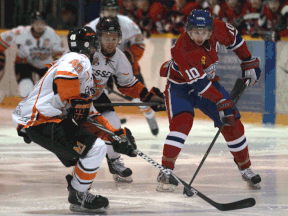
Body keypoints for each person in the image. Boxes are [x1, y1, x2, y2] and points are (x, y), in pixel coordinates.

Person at [12, 26, 137, 213]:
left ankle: (78, 190)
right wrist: (75, 100)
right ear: (88, 46)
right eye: (94, 45)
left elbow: (89, 113)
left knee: (91, 148)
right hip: (40, 120)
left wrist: (116, 135)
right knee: (96, 149)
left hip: (40, 120)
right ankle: (79, 195)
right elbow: (66, 81)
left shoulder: (77, 64)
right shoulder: (78, 58)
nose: (96, 50)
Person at [157, 9, 262, 192]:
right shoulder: (184, 48)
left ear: (211, 30)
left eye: (204, 32)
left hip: (209, 83)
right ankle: (166, 170)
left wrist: (247, 60)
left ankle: (246, 169)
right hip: (180, 88)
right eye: (196, 32)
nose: (200, 36)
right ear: (188, 30)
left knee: (232, 123)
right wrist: (222, 101)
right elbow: (200, 86)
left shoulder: (218, 27)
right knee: (182, 123)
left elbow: (236, 39)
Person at [84, 17, 165, 183]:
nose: (111, 42)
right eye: (106, 37)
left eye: (114, 38)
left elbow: (128, 84)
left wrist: (148, 96)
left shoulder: (120, 57)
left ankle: (114, 162)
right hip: (75, 97)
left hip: (97, 97)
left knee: (114, 126)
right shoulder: (86, 50)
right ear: (98, 37)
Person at [86, 0, 160, 137]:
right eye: (108, 10)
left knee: (139, 97)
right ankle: (106, 124)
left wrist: (128, 55)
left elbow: (140, 44)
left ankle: (149, 115)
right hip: (101, 66)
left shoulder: (128, 24)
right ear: (102, 11)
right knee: (100, 95)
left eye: (113, 10)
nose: (110, 13)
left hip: (124, 65)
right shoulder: (91, 27)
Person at [0, 11, 64, 99]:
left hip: (45, 65)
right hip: (24, 65)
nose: (39, 26)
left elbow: (59, 54)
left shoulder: (52, 35)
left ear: (46, 24)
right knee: (26, 87)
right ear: (32, 24)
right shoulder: (21, 32)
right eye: (36, 23)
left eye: (42, 23)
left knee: (53, 92)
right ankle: (27, 109)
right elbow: (2, 41)